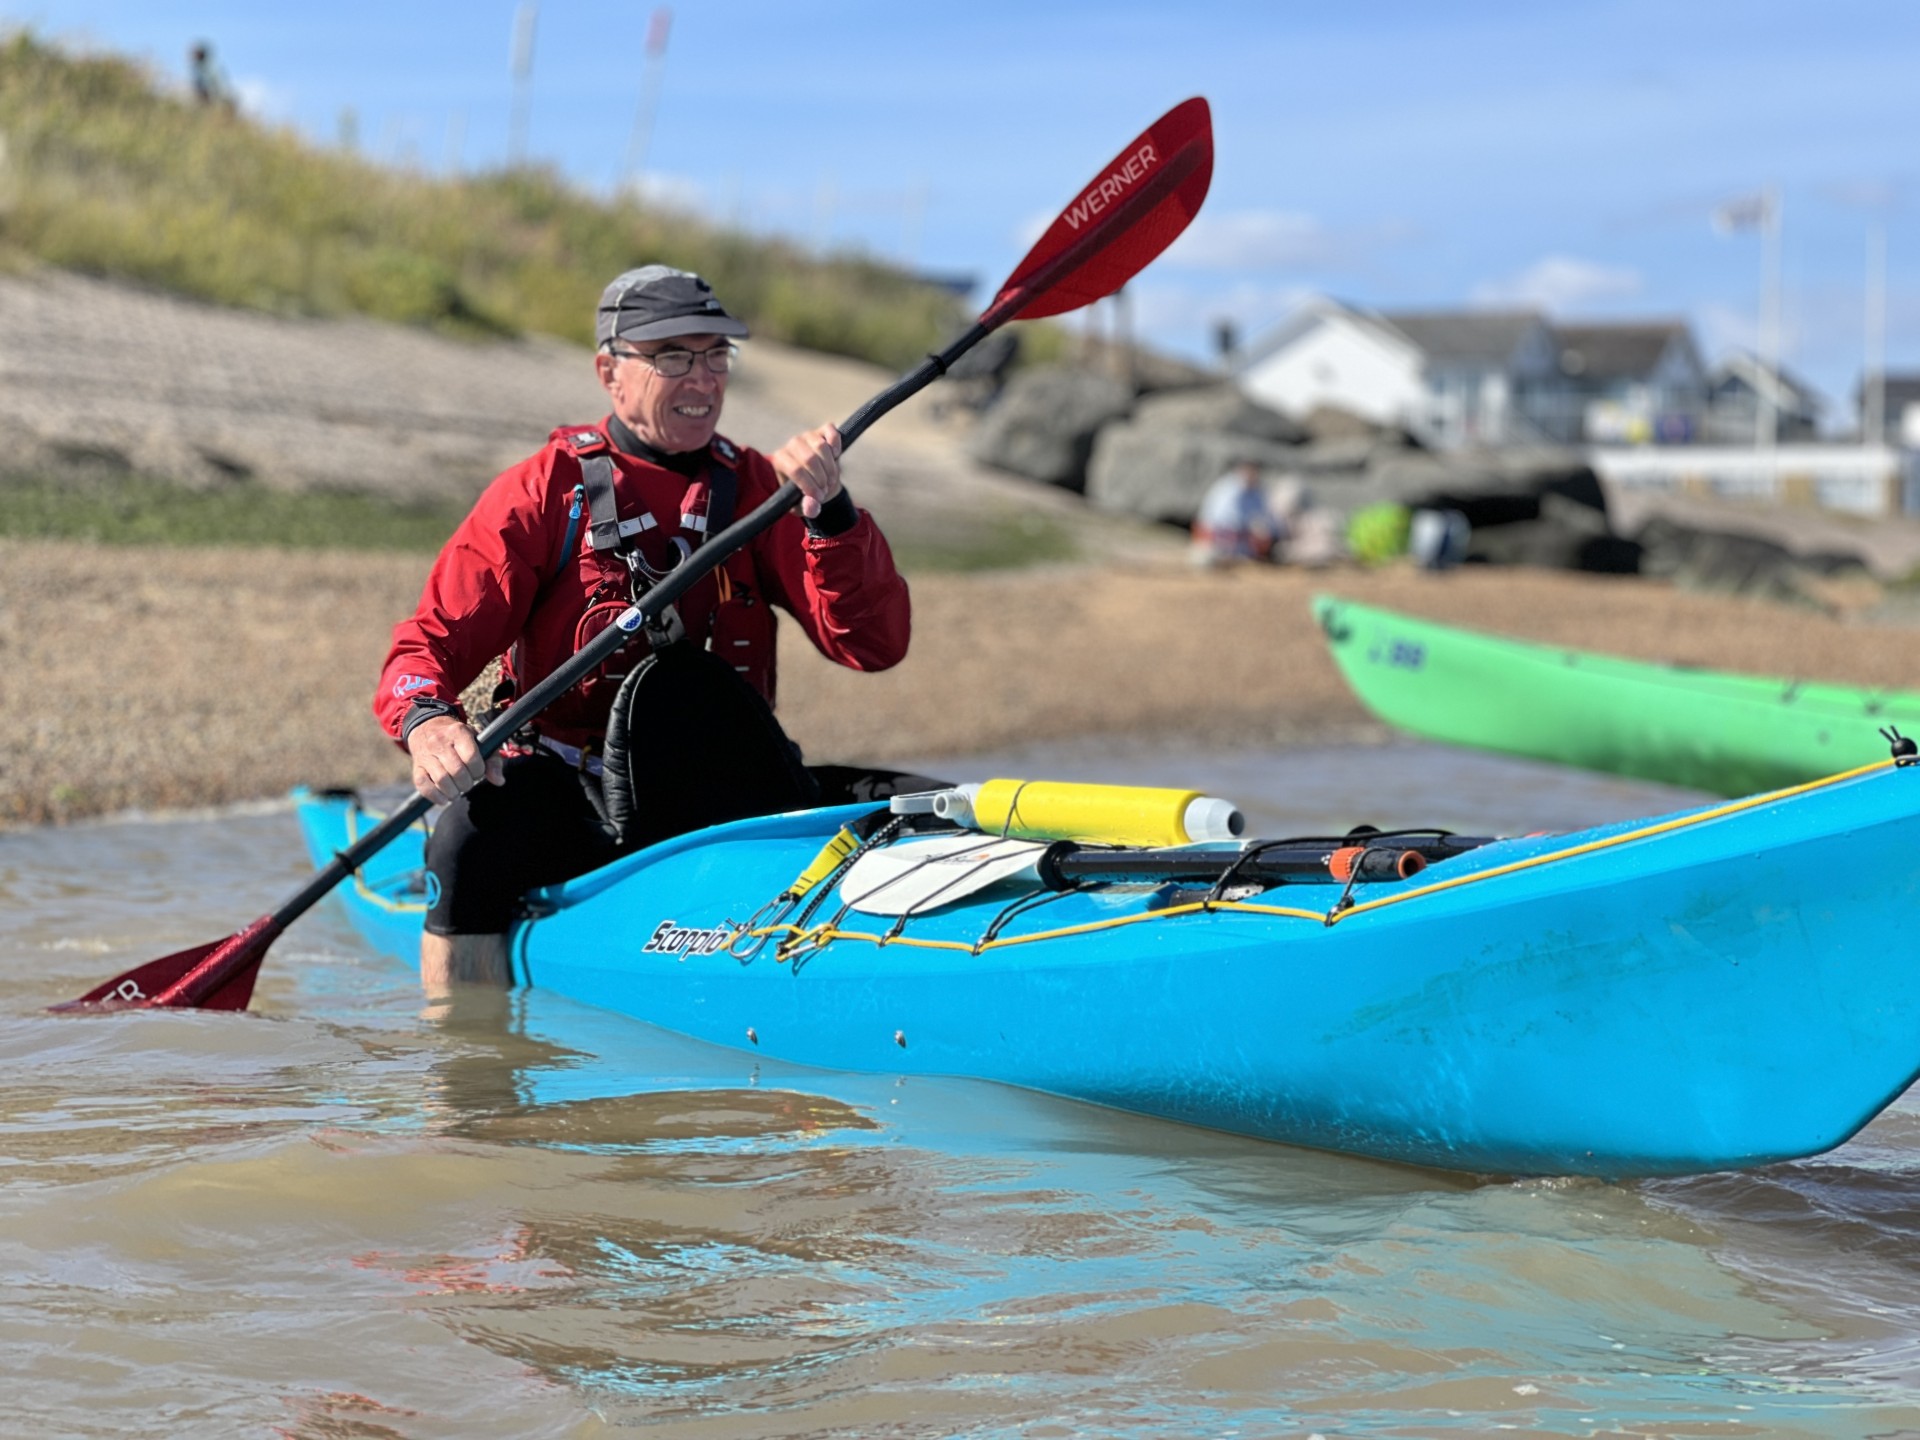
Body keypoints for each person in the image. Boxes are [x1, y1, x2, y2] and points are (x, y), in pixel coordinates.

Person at [373, 265, 912, 995]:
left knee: (906, 801)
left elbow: (872, 644)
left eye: (716, 356)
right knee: (466, 838)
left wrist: (831, 512)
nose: (702, 380)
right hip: (571, 793)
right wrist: (429, 723)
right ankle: (467, 1087)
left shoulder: (762, 491)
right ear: (610, 371)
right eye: (673, 358)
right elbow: (424, 650)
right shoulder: (543, 492)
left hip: (721, 791)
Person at [1190, 460, 1283, 566]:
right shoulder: (1227, 489)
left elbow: (1267, 517)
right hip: (1219, 538)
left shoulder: (1257, 491)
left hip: (1242, 542)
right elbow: (1223, 521)